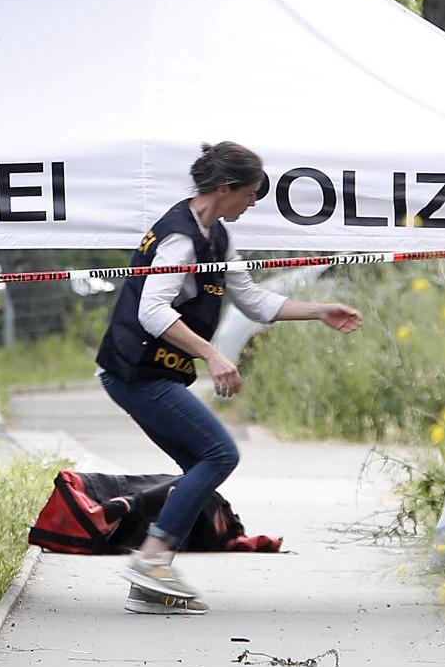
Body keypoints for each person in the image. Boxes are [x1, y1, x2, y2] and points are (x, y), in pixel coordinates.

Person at [95, 142, 363, 614]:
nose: (254, 202)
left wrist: (319, 310)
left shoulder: (217, 235)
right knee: (220, 454)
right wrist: (213, 355)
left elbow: (252, 300)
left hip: (150, 373)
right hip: (134, 372)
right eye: (252, 193)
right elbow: (151, 311)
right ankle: (151, 559)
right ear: (225, 188)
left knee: (202, 468)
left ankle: (148, 586)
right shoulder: (180, 239)